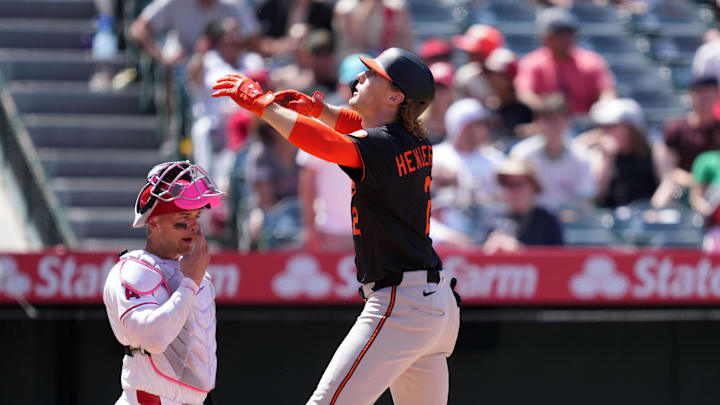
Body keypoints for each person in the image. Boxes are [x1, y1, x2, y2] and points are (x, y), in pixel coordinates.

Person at [212, 47, 460, 404]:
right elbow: (360, 127)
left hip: (402, 304)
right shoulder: (414, 139)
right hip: (435, 305)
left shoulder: (380, 146)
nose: (360, 77)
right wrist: (317, 109)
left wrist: (264, 105)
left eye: (372, 74)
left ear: (395, 95)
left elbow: (327, 144)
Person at [103, 161, 224, 405]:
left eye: (196, 216)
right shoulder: (134, 270)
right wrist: (190, 282)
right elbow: (154, 339)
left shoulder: (196, 273)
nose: (193, 225)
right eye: (184, 216)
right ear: (153, 223)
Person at [515, 6, 616, 114]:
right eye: (558, 34)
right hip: (548, 122)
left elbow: (607, 93)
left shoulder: (591, 61)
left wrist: (601, 111)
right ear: (545, 37)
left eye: (568, 33)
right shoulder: (532, 62)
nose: (564, 38)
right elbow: (525, 95)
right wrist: (551, 115)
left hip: (587, 122)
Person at [510, 94, 596, 211]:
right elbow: (512, 194)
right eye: (549, 119)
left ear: (569, 121)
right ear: (538, 121)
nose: (555, 124)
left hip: (570, 221)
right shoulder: (522, 154)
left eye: (561, 118)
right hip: (531, 219)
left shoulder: (581, 155)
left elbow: (586, 196)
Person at [577, 98, 658, 208]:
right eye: (603, 127)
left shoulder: (655, 151)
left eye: (611, 126)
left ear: (631, 128)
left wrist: (653, 209)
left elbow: (667, 185)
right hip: (610, 219)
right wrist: (607, 158)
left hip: (649, 215)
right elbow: (597, 195)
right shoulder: (601, 154)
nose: (604, 131)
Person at [653, 77, 720, 207]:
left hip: (714, 187)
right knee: (667, 188)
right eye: (701, 94)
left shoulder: (718, 128)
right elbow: (669, 171)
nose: (705, 100)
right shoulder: (676, 129)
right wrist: (696, 180)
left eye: (710, 95)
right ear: (691, 95)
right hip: (681, 188)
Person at [483, 158, 564, 253]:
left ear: (532, 186)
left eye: (518, 184)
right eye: (506, 184)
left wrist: (520, 251)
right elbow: (476, 255)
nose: (512, 190)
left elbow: (559, 261)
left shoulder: (546, 219)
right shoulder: (493, 217)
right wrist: (489, 247)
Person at [482, 47, 534, 149]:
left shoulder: (527, 109)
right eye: (488, 73)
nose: (490, 78)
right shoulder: (488, 107)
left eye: (496, 74)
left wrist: (533, 130)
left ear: (509, 76)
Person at [332, 0, 414, 59]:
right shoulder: (346, 8)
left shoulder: (396, 7)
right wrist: (368, 7)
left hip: (387, 57)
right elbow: (356, 41)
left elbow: (405, 43)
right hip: (356, 57)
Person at [422, 61, 456, 145]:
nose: (437, 93)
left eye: (442, 88)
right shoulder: (417, 122)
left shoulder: (461, 120)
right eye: (434, 87)